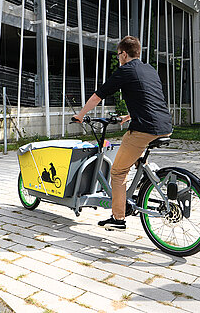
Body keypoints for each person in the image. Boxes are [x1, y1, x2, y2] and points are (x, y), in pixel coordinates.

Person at [73, 36, 172, 231]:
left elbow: (97, 96)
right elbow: (148, 99)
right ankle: (146, 177)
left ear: (124, 54)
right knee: (132, 157)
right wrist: (128, 116)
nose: (118, 58)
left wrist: (80, 115)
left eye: (118, 55)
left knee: (118, 172)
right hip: (165, 125)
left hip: (144, 129)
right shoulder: (149, 69)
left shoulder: (125, 70)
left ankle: (118, 218)